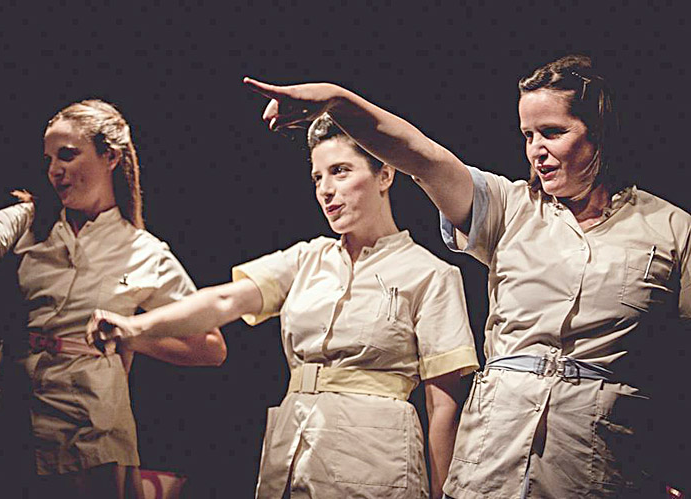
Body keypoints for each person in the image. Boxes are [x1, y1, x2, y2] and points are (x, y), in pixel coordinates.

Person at [240, 54, 691, 498]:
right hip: (494, 458)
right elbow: (421, 157)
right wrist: (337, 102)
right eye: (528, 135)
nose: (536, 149)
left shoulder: (671, 229)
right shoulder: (510, 207)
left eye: (553, 132)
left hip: (598, 462)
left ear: (601, 131)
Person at [87, 113, 479, 498]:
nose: (326, 190)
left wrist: (443, 492)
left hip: (376, 460)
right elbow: (224, 300)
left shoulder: (429, 274)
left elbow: (442, 404)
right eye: (317, 177)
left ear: (385, 175)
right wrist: (134, 327)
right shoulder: (306, 259)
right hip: (293, 449)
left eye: (340, 171)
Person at [0, 99, 227, 499]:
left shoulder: (144, 252)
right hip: (10, 412)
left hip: (89, 425)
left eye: (68, 155)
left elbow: (210, 346)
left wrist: (129, 336)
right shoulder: (29, 220)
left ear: (110, 157)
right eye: (49, 159)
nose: (54, 170)